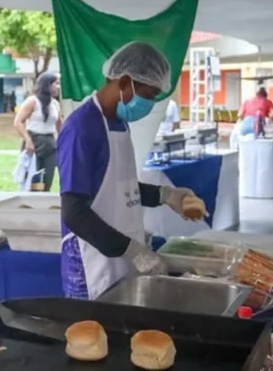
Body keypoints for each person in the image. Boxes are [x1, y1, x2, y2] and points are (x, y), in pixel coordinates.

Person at [57, 42, 203, 300]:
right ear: (124, 82)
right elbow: (74, 213)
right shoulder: (81, 129)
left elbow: (120, 187)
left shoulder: (119, 122)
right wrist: (133, 251)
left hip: (121, 251)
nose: (149, 104)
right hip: (92, 261)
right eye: (149, 95)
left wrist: (166, 195)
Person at [13, 73, 62, 191]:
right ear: (47, 85)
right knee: (34, 177)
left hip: (50, 143)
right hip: (34, 141)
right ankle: (33, 198)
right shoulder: (32, 101)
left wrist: (63, 141)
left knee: (47, 177)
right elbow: (18, 122)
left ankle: (44, 195)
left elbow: (59, 125)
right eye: (55, 84)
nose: (58, 87)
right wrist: (28, 140)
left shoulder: (55, 104)